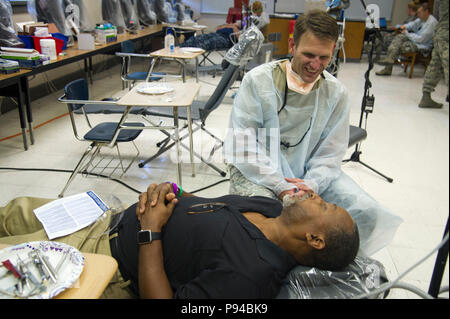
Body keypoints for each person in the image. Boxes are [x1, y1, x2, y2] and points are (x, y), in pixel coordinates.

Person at [223, 10, 403, 257]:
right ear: (292, 45)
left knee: (365, 212)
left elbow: (330, 154)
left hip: (307, 177)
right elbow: (242, 145)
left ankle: (335, 274)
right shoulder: (258, 81)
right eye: (308, 54)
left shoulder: (335, 92)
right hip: (258, 171)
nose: (315, 65)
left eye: (324, 57)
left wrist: (312, 183)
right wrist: (278, 184)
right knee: (268, 216)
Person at [0, 181, 359, 299]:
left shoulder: (250, 276)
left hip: (96, 259)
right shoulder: (269, 207)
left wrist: (150, 230)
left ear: (314, 239)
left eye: (322, 204)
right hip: (98, 217)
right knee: (13, 212)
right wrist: (171, 192)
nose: (313, 195)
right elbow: (208, 208)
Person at [376, 2, 438, 76]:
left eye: (419, 12)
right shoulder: (422, 18)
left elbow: (421, 39)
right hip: (415, 40)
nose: (417, 14)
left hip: (422, 45)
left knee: (398, 46)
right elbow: (411, 25)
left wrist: (407, 34)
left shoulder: (432, 23)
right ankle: (389, 63)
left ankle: (388, 66)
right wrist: (403, 27)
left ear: (426, 11)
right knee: (399, 37)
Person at [418, 0, 448, 108]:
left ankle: (426, 97)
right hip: (447, 34)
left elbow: (436, 13)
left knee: (435, 65)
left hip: (441, 32)